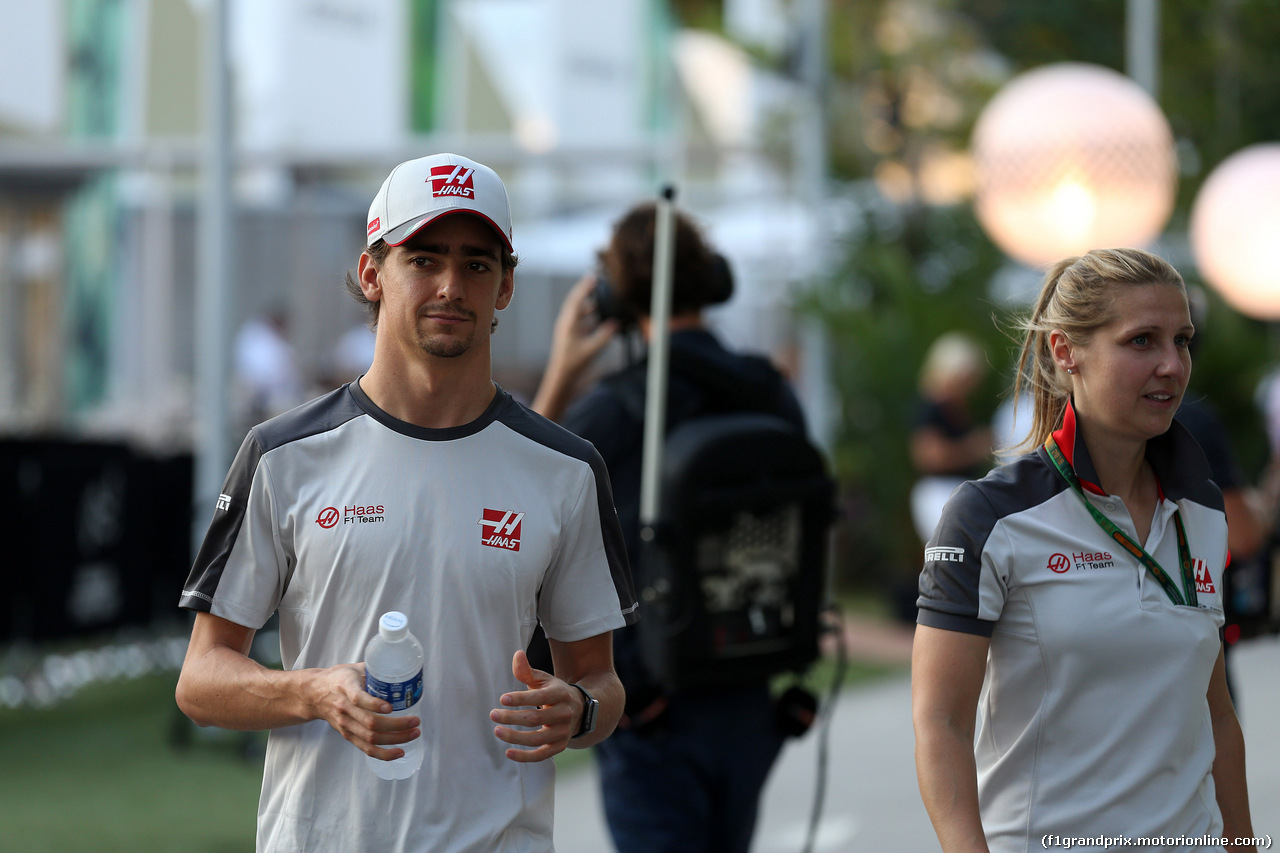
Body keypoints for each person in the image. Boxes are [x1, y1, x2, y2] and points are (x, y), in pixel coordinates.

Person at [175, 152, 639, 853]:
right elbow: (202, 680)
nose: (452, 285)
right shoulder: (282, 456)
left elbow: (601, 682)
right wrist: (315, 691)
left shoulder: (565, 469)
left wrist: (577, 709)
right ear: (372, 272)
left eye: (477, 264)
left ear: (505, 285)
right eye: (423, 258)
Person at [912, 248, 1256, 853]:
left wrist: (1244, 844)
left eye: (1182, 340)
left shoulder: (1200, 507)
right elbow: (941, 722)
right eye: (1142, 341)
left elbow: (1217, 714)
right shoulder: (989, 518)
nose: (1173, 366)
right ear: (1065, 352)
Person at [531, 202, 804, 853]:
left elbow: (518, 502)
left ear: (615, 294)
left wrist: (562, 374)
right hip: (752, 686)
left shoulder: (614, 408)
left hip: (650, 705)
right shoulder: (770, 392)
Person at [908, 331, 993, 544]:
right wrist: (973, 448)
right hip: (938, 492)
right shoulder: (932, 408)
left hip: (958, 491)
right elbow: (929, 456)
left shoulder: (957, 410)